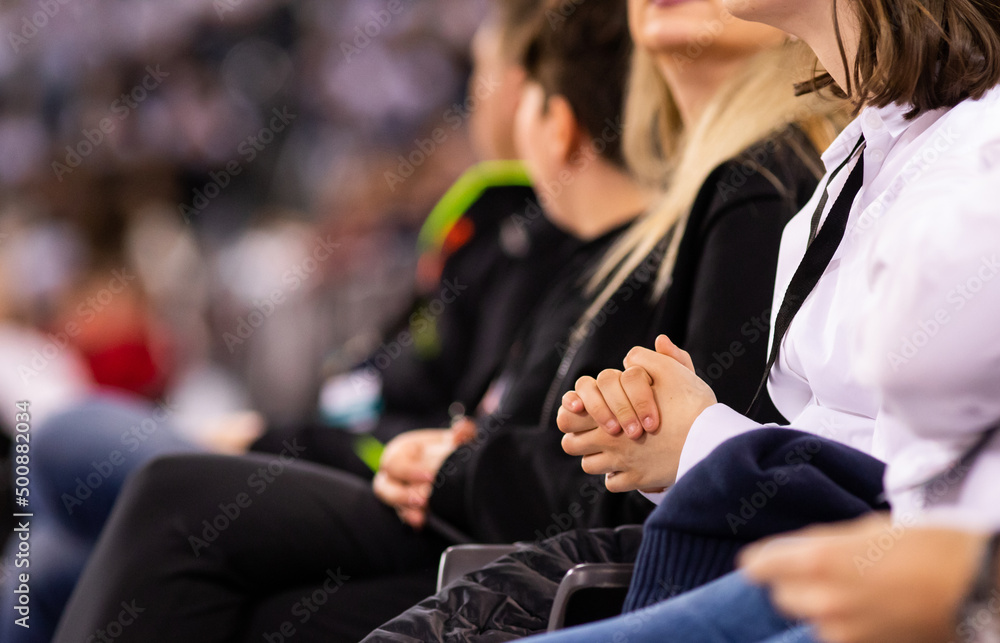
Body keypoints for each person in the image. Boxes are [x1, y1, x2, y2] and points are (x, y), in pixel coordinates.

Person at [53, 3, 660, 640]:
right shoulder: (522, 228)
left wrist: (278, 440)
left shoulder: (559, 244)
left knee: (102, 458)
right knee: (57, 560)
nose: (475, 100)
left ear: (551, 119)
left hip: (411, 498)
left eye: (484, 75)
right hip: (392, 473)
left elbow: (487, 437)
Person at [511, 0, 1000, 640]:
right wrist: (690, 436)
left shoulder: (963, 155)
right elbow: (849, 444)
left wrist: (704, 443)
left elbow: (914, 495)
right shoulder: (859, 163)